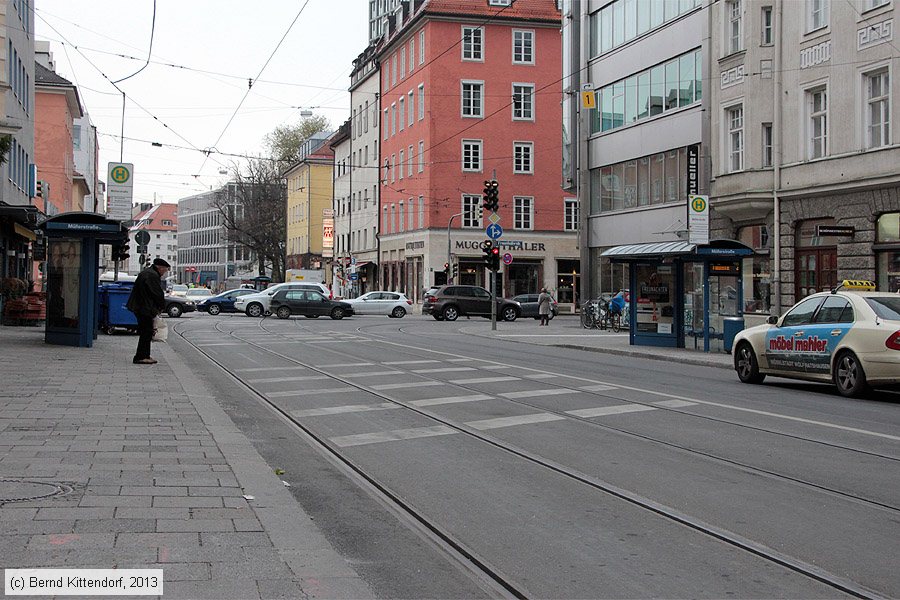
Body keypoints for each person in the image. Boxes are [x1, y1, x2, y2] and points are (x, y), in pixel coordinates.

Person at [126, 258, 169, 365]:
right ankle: (141, 357)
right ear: (160, 268)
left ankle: (145, 355)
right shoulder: (151, 275)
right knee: (146, 332)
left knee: (146, 331)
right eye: (164, 270)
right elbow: (157, 293)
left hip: (141, 306)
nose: (164, 273)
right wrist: (161, 306)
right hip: (144, 308)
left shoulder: (148, 273)